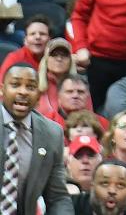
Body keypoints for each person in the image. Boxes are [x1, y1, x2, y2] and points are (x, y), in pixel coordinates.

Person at [0, 60, 74, 215]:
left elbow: (57, 197)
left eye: (31, 87)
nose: (23, 92)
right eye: (15, 85)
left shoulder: (51, 133)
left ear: (39, 95)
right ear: (2, 90)